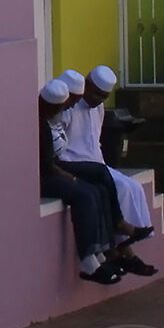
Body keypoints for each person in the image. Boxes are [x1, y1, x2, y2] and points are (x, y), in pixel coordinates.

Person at [57, 65, 158, 273]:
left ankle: (123, 246)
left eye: (103, 96)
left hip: (97, 163)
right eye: (96, 93)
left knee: (132, 188)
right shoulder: (68, 107)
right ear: (87, 84)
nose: (98, 99)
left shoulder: (98, 108)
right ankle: (124, 251)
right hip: (74, 164)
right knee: (115, 188)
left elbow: (96, 142)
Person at [40, 78, 123, 284]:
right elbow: (45, 164)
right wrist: (69, 176)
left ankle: (101, 251)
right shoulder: (39, 124)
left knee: (98, 190)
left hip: (53, 171)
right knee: (84, 195)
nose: (69, 108)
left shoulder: (50, 121)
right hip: (41, 178)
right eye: (66, 105)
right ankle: (88, 260)